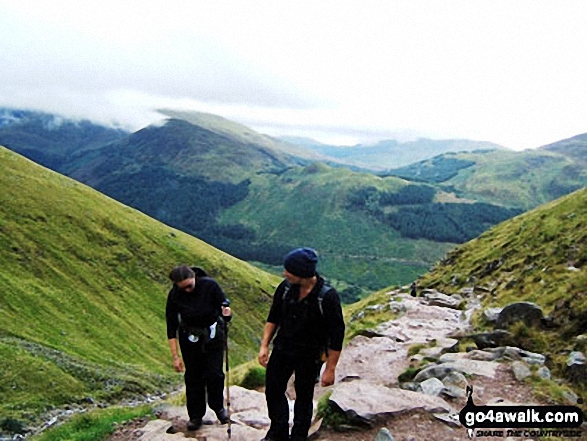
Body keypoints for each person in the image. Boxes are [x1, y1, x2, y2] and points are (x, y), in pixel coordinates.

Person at [258, 248, 345, 441]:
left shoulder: (327, 297)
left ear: (302, 273)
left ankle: (298, 436)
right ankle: (278, 432)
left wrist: (330, 368)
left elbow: (336, 335)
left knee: (304, 396)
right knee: (273, 389)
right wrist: (265, 345)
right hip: (282, 349)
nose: (284, 273)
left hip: (310, 355)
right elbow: (274, 317)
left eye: (288, 270)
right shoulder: (286, 288)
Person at [166, 265, 232, 431]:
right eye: (183, 288)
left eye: (190, 285)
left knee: (215, 373)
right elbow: (171, 325)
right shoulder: (174, 295)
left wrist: (227, 313)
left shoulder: (210, 286)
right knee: (194, 376)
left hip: (213, 335)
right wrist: (175, 357)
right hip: (189, 338)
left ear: (194, 277)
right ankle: (196, 416)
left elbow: (224, 308)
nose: (187, 290)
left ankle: (218, 407)